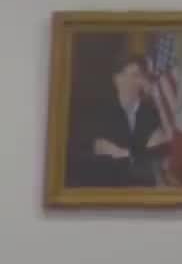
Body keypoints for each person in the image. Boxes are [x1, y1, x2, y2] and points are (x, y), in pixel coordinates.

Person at [66, 52, 170, 188]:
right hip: (106, 187)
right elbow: (89, 154)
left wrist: (123, 154)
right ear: (117, 79)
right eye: (132, 75)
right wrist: (137, 156)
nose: (136, 81)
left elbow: (157, 156)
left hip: (142, 188)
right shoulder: (99, 113)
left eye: (140, 76)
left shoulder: (151, 114)